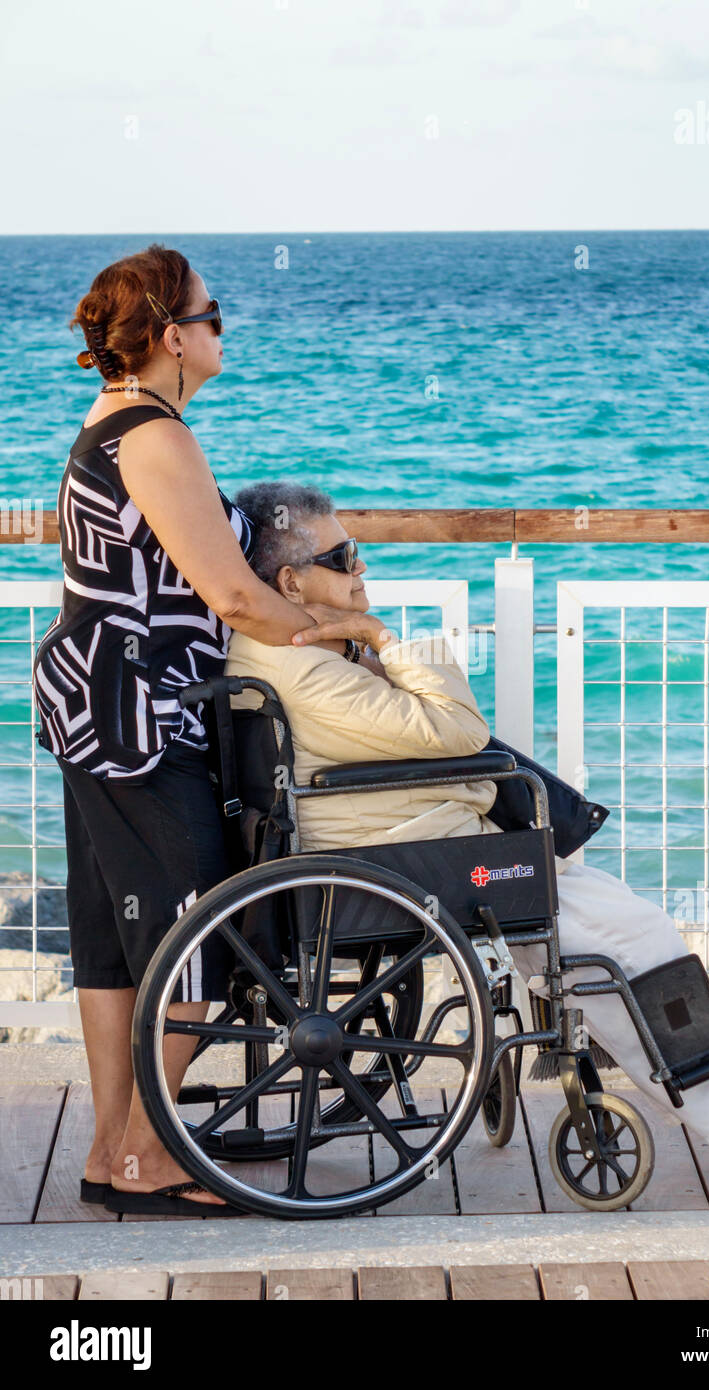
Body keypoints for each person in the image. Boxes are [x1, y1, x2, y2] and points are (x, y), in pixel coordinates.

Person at [225, 480, 709, 1179]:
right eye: (345, 556)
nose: (362, 569)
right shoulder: (309, 669)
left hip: (410, 845)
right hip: (414, 860)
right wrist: (383, 639)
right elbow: (461, 731)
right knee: (627, 942)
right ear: (291, 579)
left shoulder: (292, 655)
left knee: (612, 930)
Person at [32, 246, 372, 1217]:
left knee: (111, 943)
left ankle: (113, 1153)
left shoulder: (121, 425)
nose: (225, 329)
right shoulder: (156, 436)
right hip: (136, 711)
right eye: (213, 315)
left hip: (97, 697)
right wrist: (345, 628)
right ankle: (146, 1155)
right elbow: (228, 592)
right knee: (203, 937)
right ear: (172, 336)